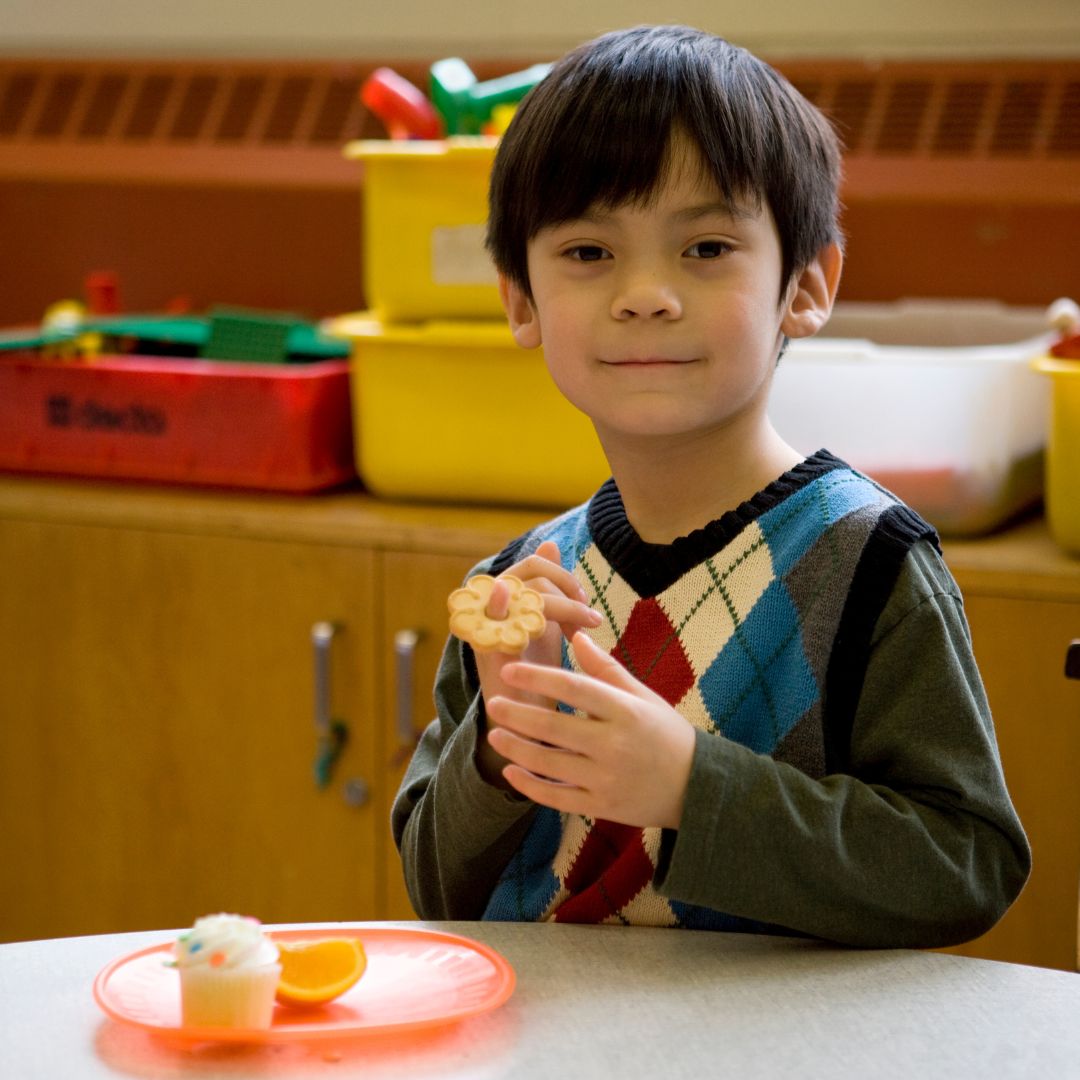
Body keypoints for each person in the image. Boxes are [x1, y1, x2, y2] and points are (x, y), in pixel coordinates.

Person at [391, 24, 1030, 946]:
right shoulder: (522, 588)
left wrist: (693, 785)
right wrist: (500, 744)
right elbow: (433, 889)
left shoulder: (872, 562)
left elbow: (969, 864)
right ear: (519, 301)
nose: (644, 293)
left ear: (806, 287)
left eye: (705, 249)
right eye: (587, 253)